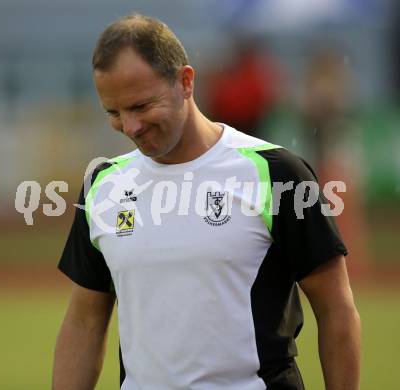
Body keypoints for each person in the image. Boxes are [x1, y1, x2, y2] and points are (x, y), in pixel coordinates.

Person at [53, 14, 361, 390]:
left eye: (141, 106)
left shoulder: (277, 174)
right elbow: (84, 322)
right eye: (114, 113)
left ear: (185, 82)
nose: (130, 127)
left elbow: (336, 311)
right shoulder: (104, 185)